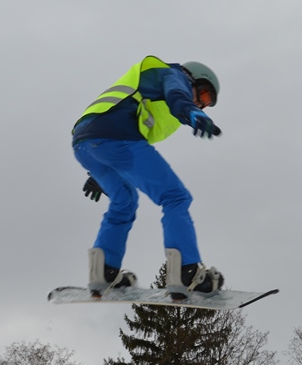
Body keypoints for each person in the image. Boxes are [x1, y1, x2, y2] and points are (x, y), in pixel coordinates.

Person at [71, 55, 224, 299]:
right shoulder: (174, 75)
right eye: (204, 95)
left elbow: (109, 124)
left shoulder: (150, 93)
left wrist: (99, 172)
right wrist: (192, 112)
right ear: (193, 79)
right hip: (116, 140)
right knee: (175, 197)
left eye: (205, 103)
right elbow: (176, 94)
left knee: (124, 201)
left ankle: (104, 272)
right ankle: (187, 274)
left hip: (85, 145)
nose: (200, 102)